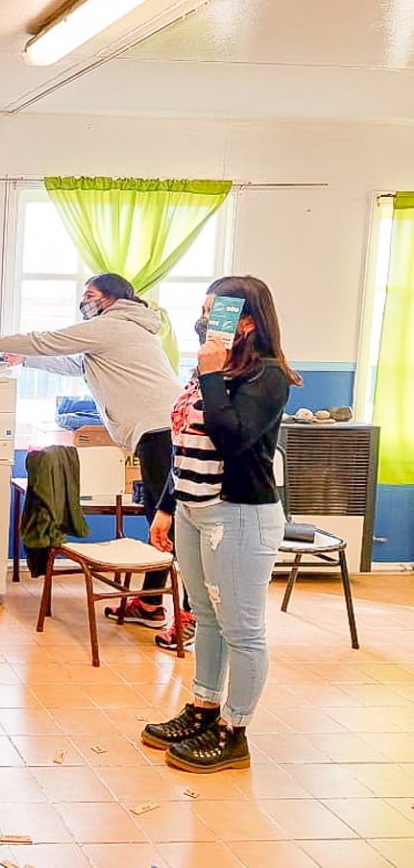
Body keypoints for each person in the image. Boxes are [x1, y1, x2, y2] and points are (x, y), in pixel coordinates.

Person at [0, 273, 192, 645]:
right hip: (156, 430)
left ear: (111, 298)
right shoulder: (122, 330)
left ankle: (188, 611)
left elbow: (49, 341)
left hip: (160, 430)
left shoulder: (113, 325)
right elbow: (77, 365)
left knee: (169, 521)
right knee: (159, 517)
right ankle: (150, 604)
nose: (84, 302)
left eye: (90, 295)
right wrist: (25, 360)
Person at [141, 276, 298, 773]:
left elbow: (235, 441)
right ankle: (204, 708)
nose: (207, 322)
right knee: (205, 618)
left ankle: (235, 731)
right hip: (192, 509)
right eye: (205, 311)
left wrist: (210, 376)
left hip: (239, 516)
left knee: (242, 631)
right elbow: (185, 443)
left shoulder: (268, 377)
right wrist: (167, 505)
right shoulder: (209, 370)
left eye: (220, 313)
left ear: (248, 321)